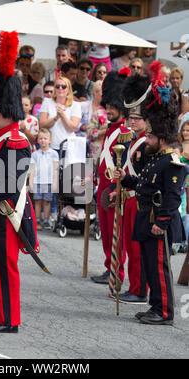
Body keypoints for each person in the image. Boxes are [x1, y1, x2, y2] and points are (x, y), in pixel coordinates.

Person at [0, 31, 39, 333]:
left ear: (6, 114)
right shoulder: (4, 138)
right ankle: (2, 313)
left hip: (3, 213)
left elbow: (7, 184)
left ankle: (10, 319)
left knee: (4, 268)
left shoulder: (13, 141)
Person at [114, 64, 186, 325]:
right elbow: (145, 184)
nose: (146, 139)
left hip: (158, 220)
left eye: (151, 136)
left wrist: (162, 222)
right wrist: (126, 180)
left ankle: (165, 312)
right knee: (149, 267)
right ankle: (155, 306)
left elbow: (172, 197)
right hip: (147, 217)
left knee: (160, 269)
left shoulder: (171, 161)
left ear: (162, 138)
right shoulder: (155, 159)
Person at [91, 69, 132, 285]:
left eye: (112, 107)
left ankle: (117, 272)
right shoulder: (110, 129)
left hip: (115, 186)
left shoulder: (125, 132)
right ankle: (109, 267)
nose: (108, 109)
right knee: (106, 233)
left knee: (117, 234)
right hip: (103, 184)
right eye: (107, 106)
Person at [117, 73, 151, 303]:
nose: (132, 121)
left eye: (137, 118)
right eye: (131, 117)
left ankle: (139, 289)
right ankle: (134, 285)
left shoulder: (145, 143)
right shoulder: (133, 140)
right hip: (129, 196)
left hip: (137, 198)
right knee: (129, 245)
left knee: (137, 248)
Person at [39, 76, 81, 154]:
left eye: (63, 86)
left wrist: (62, 115)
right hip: (50, 146)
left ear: (68, 89)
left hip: (69, 147)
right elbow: (42, 124)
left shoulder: (75, 105)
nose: (60, 88)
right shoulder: (47, 102)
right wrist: (55, 118)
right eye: (57, 86)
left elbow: (72, 128)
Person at [29, 128, 59, 230]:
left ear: (50, 140)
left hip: (49, 182)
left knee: (47, 201)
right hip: (37, 181)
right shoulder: (35, 154)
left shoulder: (54, 154)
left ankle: (46, 220)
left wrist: (55, 182)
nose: (43, 140)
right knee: (37, 201)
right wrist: (31, 182)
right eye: (41, 138)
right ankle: (37, 220)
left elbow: (56, 169)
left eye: (45, 138)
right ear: (38, 140)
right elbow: (32, 169)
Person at [82, 80, 108, 165]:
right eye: (102, 94)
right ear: (95, 93)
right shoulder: (98, 112)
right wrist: (105, 131)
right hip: (96, 150)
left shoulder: (108, 111)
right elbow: (90, 132)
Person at [86, 5, 111, 75]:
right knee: (91, 76)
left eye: (94, 11)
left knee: (107, 77)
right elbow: (85, 44)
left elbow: (108, 43)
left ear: (97, 13)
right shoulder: (84, 25)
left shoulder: (103, 24)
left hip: (105, 56)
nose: (92, 13)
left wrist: (96, 41)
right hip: (92, 56)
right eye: (90, 11)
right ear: (86, 12)